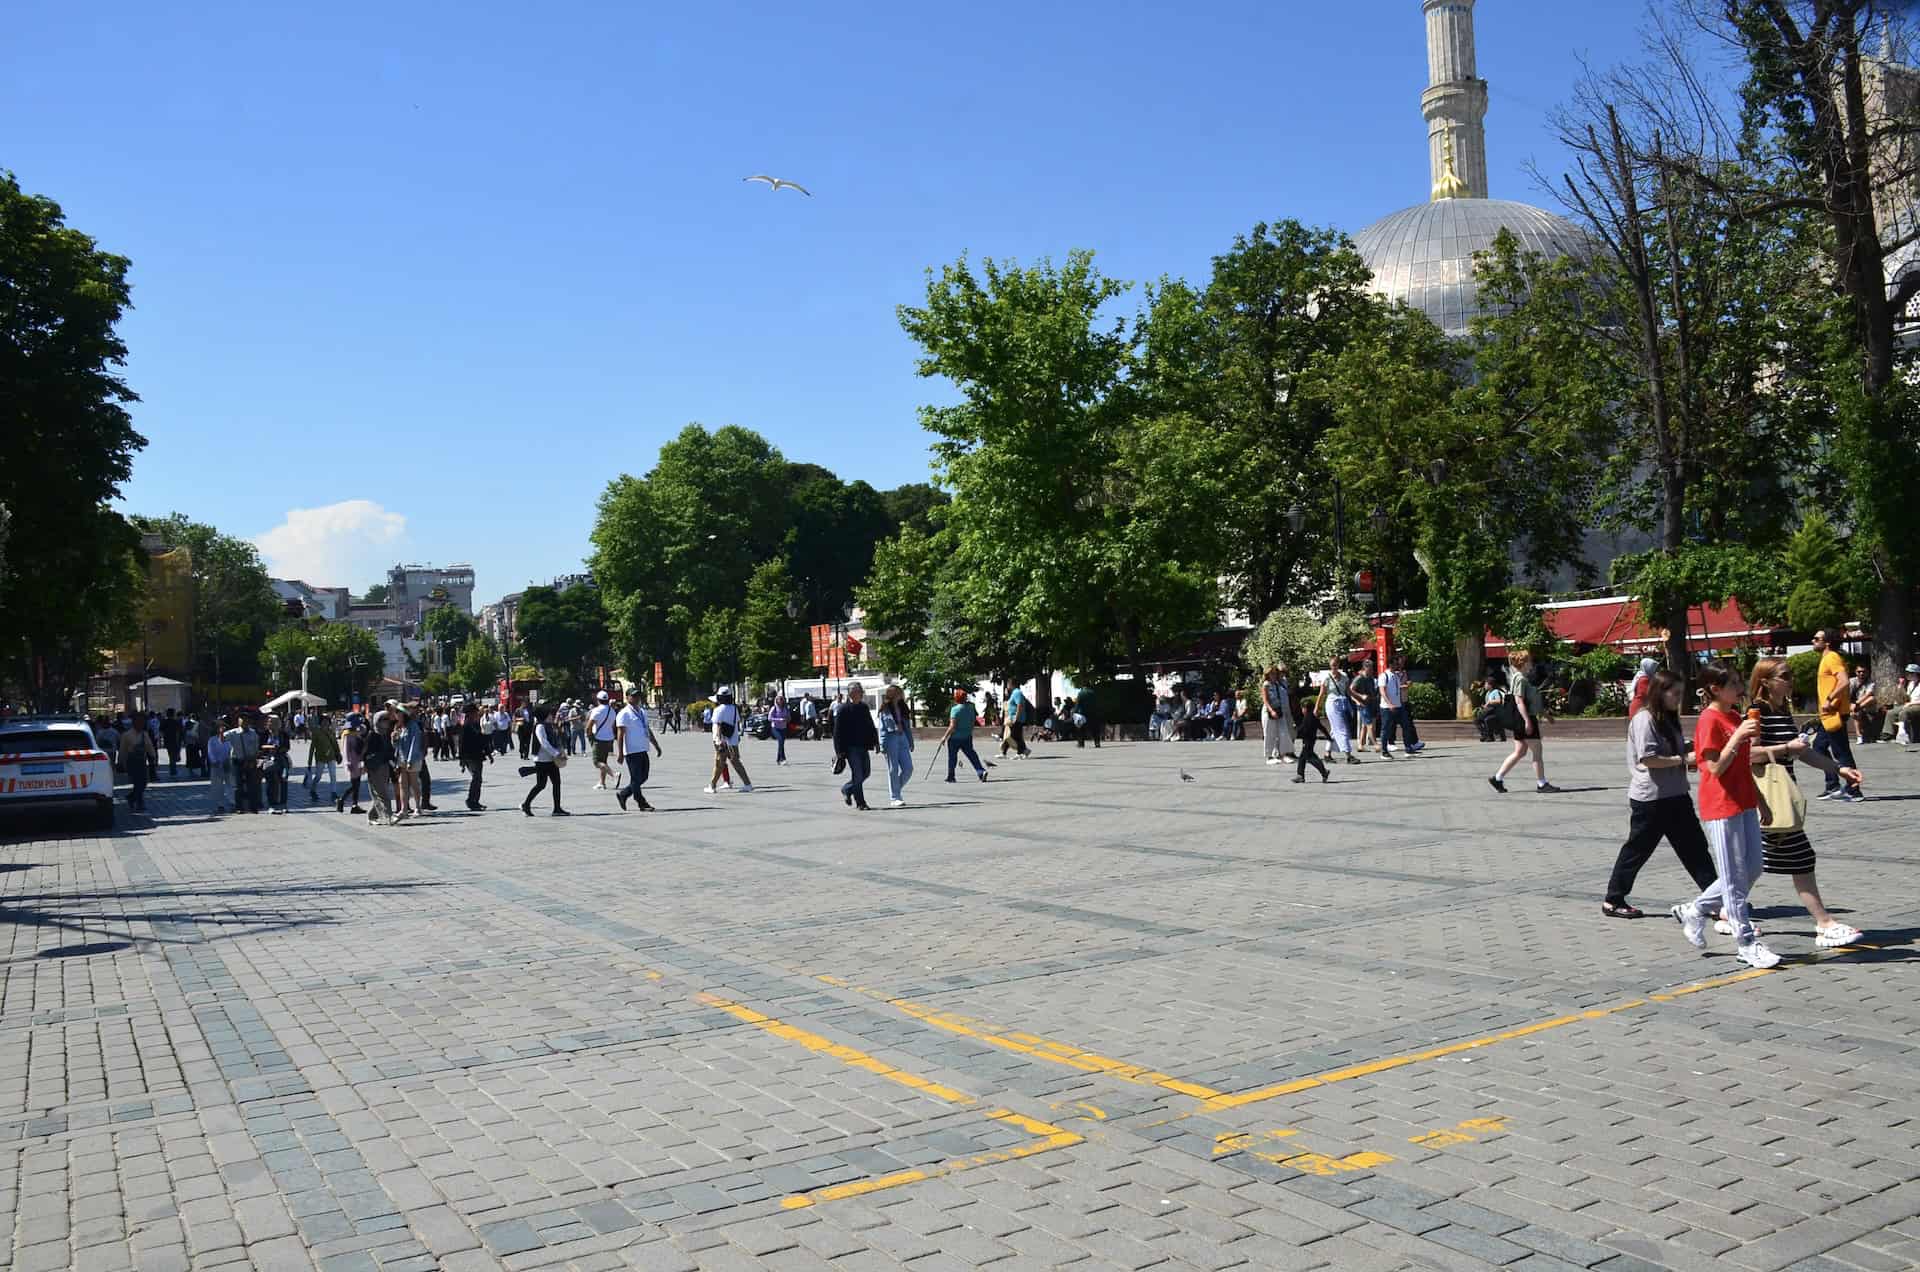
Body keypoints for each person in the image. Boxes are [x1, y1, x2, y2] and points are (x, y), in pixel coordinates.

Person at [1746, 658, 1866, 947]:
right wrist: (1787, 748)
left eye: (1790, 675)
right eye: (1784, 676)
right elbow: (1748, 755)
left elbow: (1803, 753)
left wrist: (1838, 769)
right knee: (1801, 858)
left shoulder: (1783, 711)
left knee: (1751, 864)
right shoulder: (1756, 712)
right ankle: (1824, 923)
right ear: (1766, 682)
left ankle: (1722, 910)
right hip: (1766, 796)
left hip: (1782, 794)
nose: (1790, 680)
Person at [1671, 662, 1780, 969]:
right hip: (1720, 805)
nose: (1740, 688)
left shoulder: (1734, 716)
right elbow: (1714, 767)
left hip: (1744, 801)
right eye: (1733, 683)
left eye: (1738, 682)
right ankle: (1746, 942)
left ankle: (1695, 909)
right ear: (1715, 689)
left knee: (1754, 867)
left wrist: (1761, 802)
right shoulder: (1709, 719)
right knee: (1733, 877)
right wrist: (1737, 737)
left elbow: (1743, 766)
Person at [1601, 669, 1718, 919]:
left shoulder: (1667, 717)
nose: (1678, 698)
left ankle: (1716, 899)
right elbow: (1649, 758)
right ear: (1659, 692)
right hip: (1651, 799)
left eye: (1680, 693)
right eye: (1674, 693)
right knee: (1637, 850)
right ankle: (1613, 899)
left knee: (1695, 848)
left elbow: (1676, 747)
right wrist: (1683, 759)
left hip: (1675, 794)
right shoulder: (1645, 719)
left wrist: (1696, 745)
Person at [1489, 650, 1558, 793]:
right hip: (1524, 719)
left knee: (1520, 751)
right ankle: (1541, 783)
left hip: (1521, 719)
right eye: (1529, 661)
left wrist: (1545, 715)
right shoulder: (1520, 679)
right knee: (1537, 752)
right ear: (1524, 663)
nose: (1531, 664)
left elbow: (1531, 701)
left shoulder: (1519, 677)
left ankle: (1497, 778)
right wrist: (1528, 721)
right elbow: (1519, 701)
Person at [1810, 629, 1863, 801]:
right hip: (1828, 715)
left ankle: (1854, 790)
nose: (1813, 640)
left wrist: (1830, 699)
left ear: (1827, 642)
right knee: (1818, 747)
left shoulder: (1832, 657)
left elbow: (1844, 681)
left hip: (1835, 714)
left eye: (1817, 638)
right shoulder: (1826, 658)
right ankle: (1833, 785)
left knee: (1842, 753)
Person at [614, 686, 663, 812]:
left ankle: (624, 794)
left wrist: (656, 745)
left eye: (638, 696)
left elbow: (647, 729)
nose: (636, 698)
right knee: (636, 778)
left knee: (643, 777)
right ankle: (641, 802)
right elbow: (620, 734)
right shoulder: (624, 714)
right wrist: (620, 753)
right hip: (631, 751)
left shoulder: (642, 712)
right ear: (627, 697)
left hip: (642, 749)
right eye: (633, 696)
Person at [835, 682, 880, 810]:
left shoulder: (864, 708)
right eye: (856, 691)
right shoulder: (843, 709)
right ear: (850, 694)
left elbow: (870, 726)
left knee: (866, 772)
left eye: (860, 691)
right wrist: (839, 752)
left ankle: (847, 789)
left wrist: (876, 742)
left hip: (863, 746)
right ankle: (861, 802)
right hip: (850, 748)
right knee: (858, 774)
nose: (859, 693)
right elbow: (837, 732)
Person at [520, 705, 569, 816]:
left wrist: (560, 752)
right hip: (542, 760)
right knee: (541, 785)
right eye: (550, 714)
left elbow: (555, 741)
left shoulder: (549, 726)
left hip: (551, 760)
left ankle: (557, 808)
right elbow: (544, 743)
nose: (552, 716)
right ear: (545, 715)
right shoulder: (540, 727)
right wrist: (556, 754)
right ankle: (526, 804)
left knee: (556, 783)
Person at [706, 688, 754, 794]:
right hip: (733, 740)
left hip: (723, 740)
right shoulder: (734, 708)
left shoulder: (718, 710)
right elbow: (736, 722)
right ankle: (748, 784)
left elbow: (718, 725)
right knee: (736, 762)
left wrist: (719, 741)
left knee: (719, 763)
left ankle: (712, 785)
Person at [939, 689, 990, 783]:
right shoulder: (970, 708)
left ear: (956, 698)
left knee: (953, 757)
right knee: (972, 755)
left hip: (955, 738)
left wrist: (944, 737)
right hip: (967, 736)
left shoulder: (955, 709)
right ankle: (980, 771)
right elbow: (973, 722)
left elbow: (952, 726)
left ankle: (951, 776)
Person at [877, 684, 915, 807]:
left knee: (908, 768)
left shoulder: (903, 707)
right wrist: (882, 744)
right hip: (890, 738)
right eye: (896, 692)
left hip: (902, 737)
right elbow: (882, 728)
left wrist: (910, 741)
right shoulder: (885, 708)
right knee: (893, 769)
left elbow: (907, 726)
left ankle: (896, 789)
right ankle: (895, 797)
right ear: (891, 694)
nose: (899, 694)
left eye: (899, 692)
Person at [1379, 655, 1425, 756]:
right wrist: (1389, 703)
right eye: (1395, 664)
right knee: (1386, 729)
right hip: (1387, 707)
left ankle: (1408, 749)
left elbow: (1397, 689)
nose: (1397, 665)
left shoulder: (1395, 676)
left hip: (1399, 706)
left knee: (1406, 726)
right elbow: (1382, 691)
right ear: (1390, 664)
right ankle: (1384, 751)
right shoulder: (1384, 676)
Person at [1291, 675, 1329, 784]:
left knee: (1309, 758)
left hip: (1307, 741)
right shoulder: (1313, 717)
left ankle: (1323, 771)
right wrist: (1328, 737)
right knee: (1304, 757)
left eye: (1302, 708)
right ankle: (1300, 775)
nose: (1301, 710)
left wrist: (1296, 730)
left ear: (1305, 709)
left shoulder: (1307, 718)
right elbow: (1321, 727)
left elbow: (1303, 729)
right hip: (1312, 740)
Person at [362, 714, 397, 826]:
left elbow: (389, 751)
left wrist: (393, 761)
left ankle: (371, 816)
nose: (387, 722)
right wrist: (363, 765)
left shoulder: (385, 735)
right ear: (377, 721)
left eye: (387, 719)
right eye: (384, 720)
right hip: (374, 768)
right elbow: (364, 752)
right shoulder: (372, 735)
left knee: (380, 793)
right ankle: (389, 816)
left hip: (385, 766)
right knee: (382, 794)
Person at [1322, 656, 1358, 764]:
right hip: (1332, 704)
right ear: (1330, 665)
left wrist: (1357, 699)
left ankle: (1327, 754)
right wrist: (1316, 708)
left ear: (1338, 665)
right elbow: (1322, 693)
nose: (1334, 667)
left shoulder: (1344, 677)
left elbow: (1348, 691)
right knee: (1342, 729)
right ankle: (1348, 754)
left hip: (1342, 703)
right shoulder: (1327, 678)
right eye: (1332, 665)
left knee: (1334, 730)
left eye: (1336, 665)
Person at [119, 710, 155, 812]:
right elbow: (122, 750)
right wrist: (121, 762)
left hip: (142, 761)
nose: (140, 724)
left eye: (142, 722)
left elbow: (149, 747)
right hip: (132, 762)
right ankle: (140, 803)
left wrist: (153, 757)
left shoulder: (144, 734)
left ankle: (131, 797)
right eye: (138, 721)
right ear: (134, 722)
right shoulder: (126, 735)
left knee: (143, 783)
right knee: (137, 783)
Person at [392, 703, 423, 819]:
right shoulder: (400, 727)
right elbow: (397, 746)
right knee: (402, 784)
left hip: (413, 759)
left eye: (397, 712)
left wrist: (410, 760)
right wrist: (393, 739)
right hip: (401, 759)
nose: (395, 714)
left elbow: (414, 743)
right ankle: (404, 809)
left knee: (414, 783)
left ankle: (418, 808)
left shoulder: (413, 726)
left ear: (403, 714)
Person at [304, 711, 340, 805]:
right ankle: (313, 789)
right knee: (318, 776)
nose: (326, 723)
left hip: (331, 756)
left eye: (327, 721)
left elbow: (335, 744)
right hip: (321, 758)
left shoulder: (331, 732)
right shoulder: (316, 732)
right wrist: (309, 762)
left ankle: (333, 792)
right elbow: (312, 748)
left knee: (333, 775)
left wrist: (338, 754)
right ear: (320, 722)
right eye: (324, 721)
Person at [1261, 666, 1294, 766]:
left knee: (1283, 733)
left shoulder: (1277, 684)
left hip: (1279, 710)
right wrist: (1271, 711)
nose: (1274, 675)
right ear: (1268, 675)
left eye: (1275, 673)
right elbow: (1265, 700)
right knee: (1269, 734)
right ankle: (1269, 756)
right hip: (1269, 711)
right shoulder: (1266, 684)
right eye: (1272, 674)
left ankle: (1284, 754)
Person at [458, 703, 488, 810]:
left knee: (478, 779)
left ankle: (475, 800)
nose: (477, 714)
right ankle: (471, 801)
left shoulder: (475, 724)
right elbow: (461, 743)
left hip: (478, 755)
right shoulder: (466, 726)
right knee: (476, 778)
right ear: (470, 714)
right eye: (475, 712)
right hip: (470, 756)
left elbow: (481, 740)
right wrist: (462, 759)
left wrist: (488, 753)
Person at [587, 691, 618, 790]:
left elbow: (589, 726)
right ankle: (602, 783)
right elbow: (613, 726)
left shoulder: (596, 711)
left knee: (597, 762)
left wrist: (590, 737)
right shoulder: (612, 711)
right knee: (603, 761)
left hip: (599, 738)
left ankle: (614, 774)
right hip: (609, 739)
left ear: (598, 700)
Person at [262, 715, 291, 814]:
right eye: (269, 722)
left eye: (274, 722)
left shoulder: (283, 734)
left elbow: (287, 747)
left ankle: (283, 804)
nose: (271, 724)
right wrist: (269, 747)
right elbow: (260, 746)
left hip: (282, 760)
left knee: (283, 782)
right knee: (270, 783)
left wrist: (278, 749)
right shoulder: (264, 734)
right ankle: (272, 805)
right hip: (268, 761)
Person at [1350, 658, 1380, 751]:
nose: (1372, 670)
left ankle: (1360, 745)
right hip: (1363, 705)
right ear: (1364, 668)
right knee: (1369, 725)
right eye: (1370, 668)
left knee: (1365, 725)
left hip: (1371, 703)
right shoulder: (1359, 678)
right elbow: (1350, 690)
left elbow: (1373, 691)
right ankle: (1375, 744)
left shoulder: (1370, 678)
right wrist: (1360, 697)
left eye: (1372, 668)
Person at [206, 723, 233, 813]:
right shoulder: (212, 740)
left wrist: (229, 761)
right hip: (216, 766)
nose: (223, 730)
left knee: (230, 784)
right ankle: (220, 804)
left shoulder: (230, 740)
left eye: (224, 728)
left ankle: (232, 802)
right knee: (218, 787)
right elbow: (210, 753)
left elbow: (232, 751)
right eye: (221, 728)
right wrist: (215, 762)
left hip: (227, 765)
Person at [1001, 683, 1032, 758]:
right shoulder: (1013, 693)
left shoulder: (1017, 692)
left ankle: (1020, 752)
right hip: (1011, 718)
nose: (1007, 686)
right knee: (1008, 735)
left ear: (1012, 684)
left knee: (1015, 736)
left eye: (1008, 685)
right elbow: (1008, 704)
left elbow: (1019, 705)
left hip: (1016, 718)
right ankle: (1004, 753)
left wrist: (1016, 717)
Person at [160, 707, 183, 780]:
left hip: (167, 741)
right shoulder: (176, 722)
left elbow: (161, 731)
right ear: (173, 714)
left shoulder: (164, 722)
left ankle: (173, 770)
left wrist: (162, 740)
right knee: (173, 756)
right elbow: (179, 732)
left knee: (171, 756)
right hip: (175, 741)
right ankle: (173, 770)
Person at [769, 696, 790, 765]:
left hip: (783, 728)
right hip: (775, 728)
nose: (780, 701)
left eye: (781, 699)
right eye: (779, 700)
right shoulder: (774, 708)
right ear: (776, 701)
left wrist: (787, 719)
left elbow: (788, 716)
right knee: (780, 740)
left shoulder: (785, 708)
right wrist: (779, 719)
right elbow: (769, 718)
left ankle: (778, 759)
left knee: (781, 743)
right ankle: (782, 758)